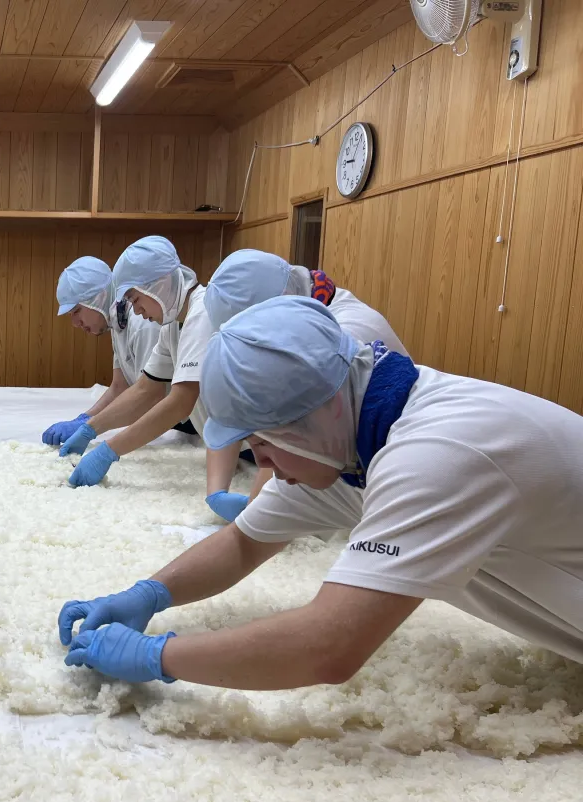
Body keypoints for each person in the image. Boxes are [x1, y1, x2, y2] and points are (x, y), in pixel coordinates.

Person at [58, 297, 583, 690]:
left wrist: (158, 657)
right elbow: (244, 542)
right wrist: (149, 594)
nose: (261, 466)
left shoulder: (436, 457)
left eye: (263, 444)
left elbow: (329, 646)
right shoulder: (352, 441)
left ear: (319, 413)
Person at [57, 236, 250, 522]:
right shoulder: (172, 326)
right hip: (229, 447)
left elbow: (180, 401)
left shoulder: (202, 313)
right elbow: (146, 389)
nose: (135, 310)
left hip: (253, 449)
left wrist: (110, 450)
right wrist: (90, 428)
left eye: (135, 299)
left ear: (158, 285)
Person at [204, 248, 409, 502]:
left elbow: (293, 434)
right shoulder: (309, 319)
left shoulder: (339, 338)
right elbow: (240, 409)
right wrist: (217, 492)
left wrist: (254, 509)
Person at [41, 256, 162, 446]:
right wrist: (84, 419)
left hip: (184, 424)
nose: (75, 323)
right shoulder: (118, 323)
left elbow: (149, 397)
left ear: (99, 298)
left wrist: (92, 427)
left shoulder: (142, 323)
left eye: (76, 311)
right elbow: (120, 387)